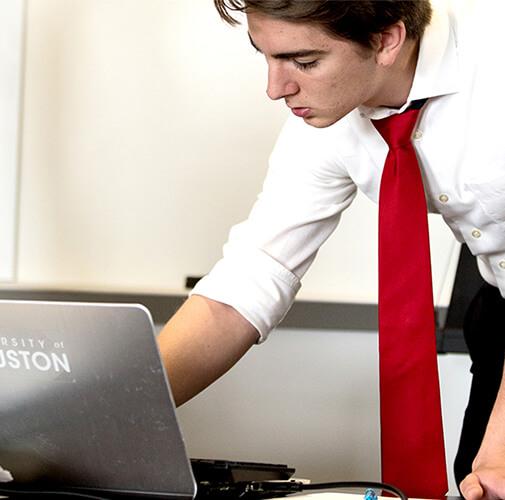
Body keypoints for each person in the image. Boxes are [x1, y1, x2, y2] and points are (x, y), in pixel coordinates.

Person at [157, 1, 505, 498]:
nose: (276, 88)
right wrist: (114, 411)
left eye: (304, 62)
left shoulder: (497, 63)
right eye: (266, 56)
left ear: (386, 39)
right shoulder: (328, 116)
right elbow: (252, 276)